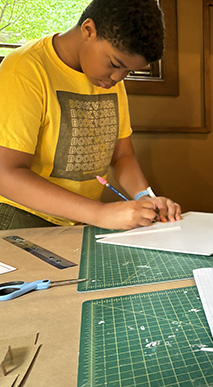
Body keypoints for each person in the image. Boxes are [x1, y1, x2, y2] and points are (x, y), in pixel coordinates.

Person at [0, 0, 181, 231]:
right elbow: (5, 174)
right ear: (88, 30)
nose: (118, 78)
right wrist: (99, 212)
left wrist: (144, 197)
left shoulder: (107, 79)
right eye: (115, 64)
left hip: (80, 219)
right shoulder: (24, 70)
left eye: (128, 71)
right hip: (21, 217)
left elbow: (122, 155)